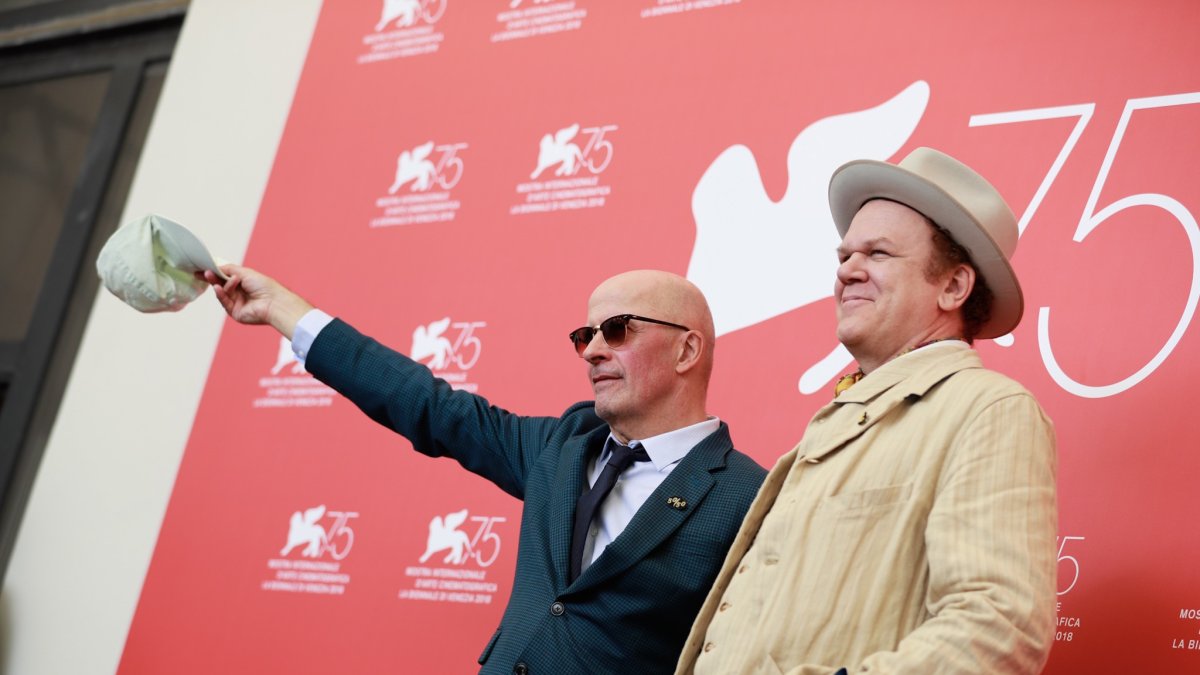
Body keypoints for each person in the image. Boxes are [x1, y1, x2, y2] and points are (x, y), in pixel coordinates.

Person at [203, 266, 767, 675]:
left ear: (687, 351)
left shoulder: (752, 498)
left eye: (617, 330)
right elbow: (425, 403)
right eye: (584, 336)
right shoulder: (561, 448)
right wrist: (281, 308)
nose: (592, 350)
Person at [676, 147, 1058, 675]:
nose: (847, 272)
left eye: (877, 254)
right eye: (843, 257)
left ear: (953, 286)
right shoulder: (850, 408)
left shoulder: (989, 410)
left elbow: (998, 628)